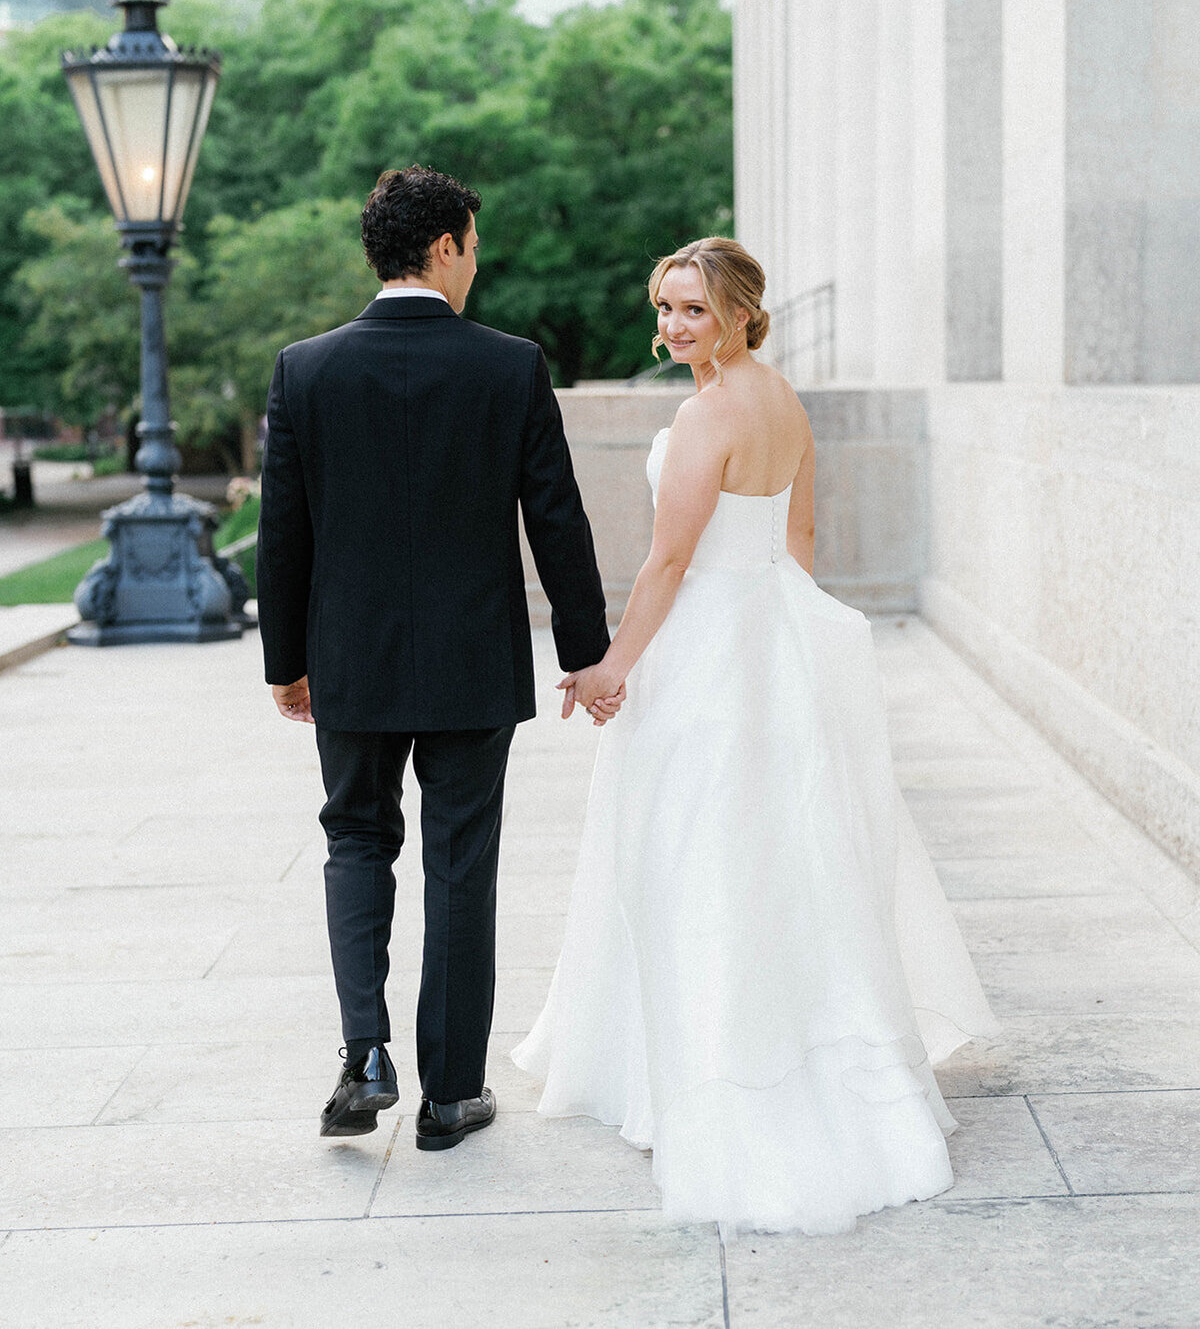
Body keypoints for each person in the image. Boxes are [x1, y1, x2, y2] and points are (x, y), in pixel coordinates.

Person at [512, 237, 1000, 1234]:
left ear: (740, 311)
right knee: (784, 854)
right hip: (773, 636)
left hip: (707, 649)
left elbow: (667, 566)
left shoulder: (709, 414)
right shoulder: (783, 401)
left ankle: (710, 1066)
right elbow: (801, 540)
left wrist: (613, 667)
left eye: (693, 309)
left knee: (692, 857)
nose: (672, 327)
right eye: (664, 308)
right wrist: (788, 641)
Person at [256, 165, 616, 1148]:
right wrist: (588, 652)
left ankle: (365, 1054)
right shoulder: (508, 365)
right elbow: (558, 517)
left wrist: (284, 661)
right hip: (470, 664)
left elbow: (280, 533)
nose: (475, 263)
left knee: (356, 841)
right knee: (460, 864)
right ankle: (451, 1094)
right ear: (448, 245)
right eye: (474, 245)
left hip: (351, 661)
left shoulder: (305, 370)